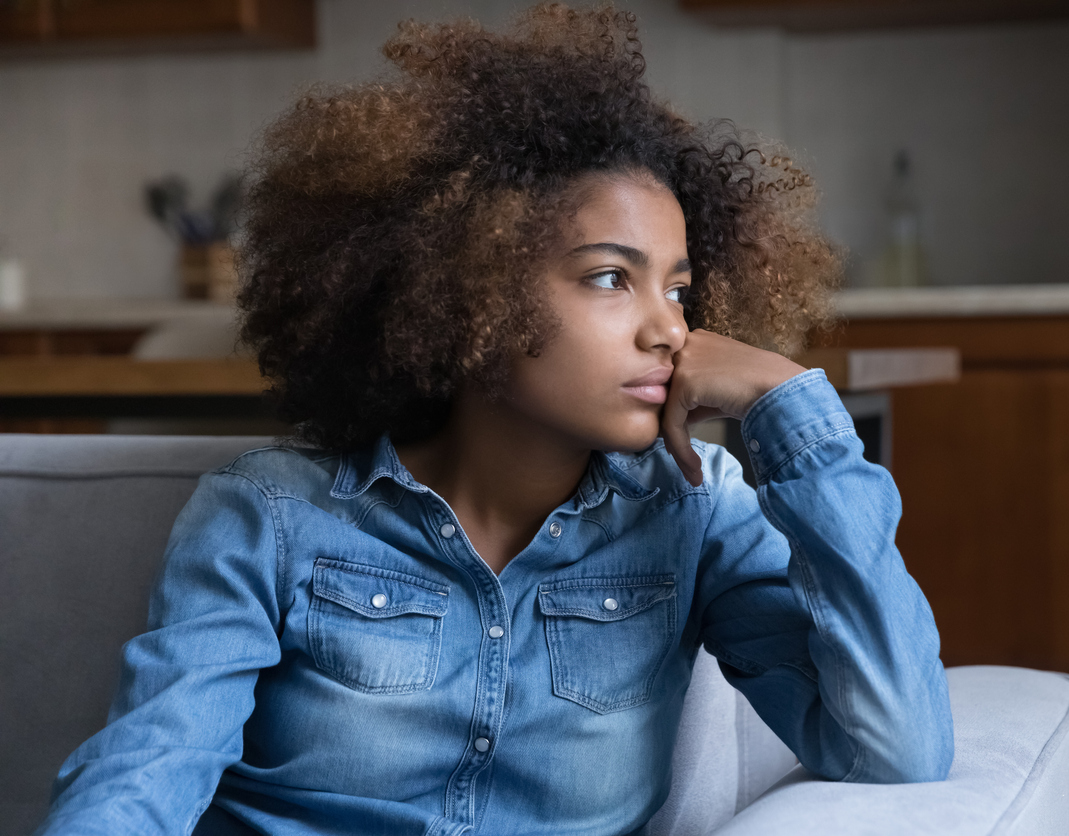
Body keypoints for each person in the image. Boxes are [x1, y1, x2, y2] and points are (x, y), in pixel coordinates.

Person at [35, 5, 953, 834]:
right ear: (463, 288)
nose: (669, 327)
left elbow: (894, 746)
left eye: (678, 287)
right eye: (608, 276)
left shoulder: (693, 512)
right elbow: (139, 786)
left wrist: (791, 410)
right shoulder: (269, 518)